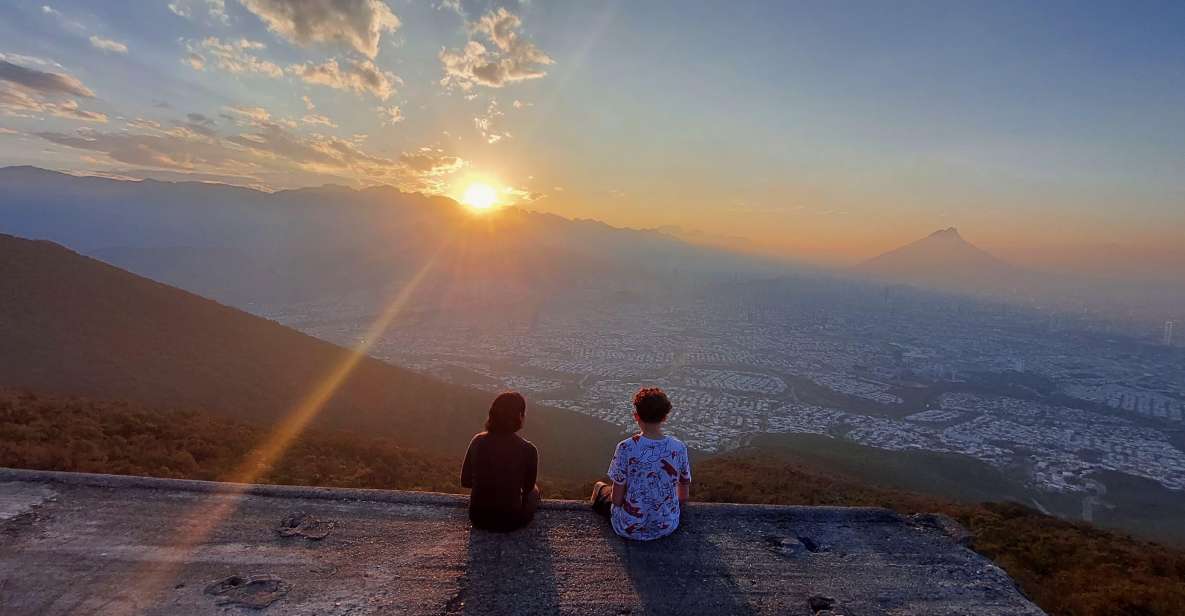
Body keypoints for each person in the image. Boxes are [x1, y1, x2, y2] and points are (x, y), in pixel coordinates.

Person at [591, 387, 691, 540]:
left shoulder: (626, 447)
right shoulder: (678, 448)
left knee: (600, 487)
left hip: (628, 527)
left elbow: (617, 500)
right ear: (665, 417)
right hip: (666, 525)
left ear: (636, 416)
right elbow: (683, 497)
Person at [461, 391, 541, 532]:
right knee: (535, 491)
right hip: (511, 521)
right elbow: (527, 488)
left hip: (478, 517)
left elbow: (466, 481)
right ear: (520, 417)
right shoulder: (528, 449)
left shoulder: (477, 441)